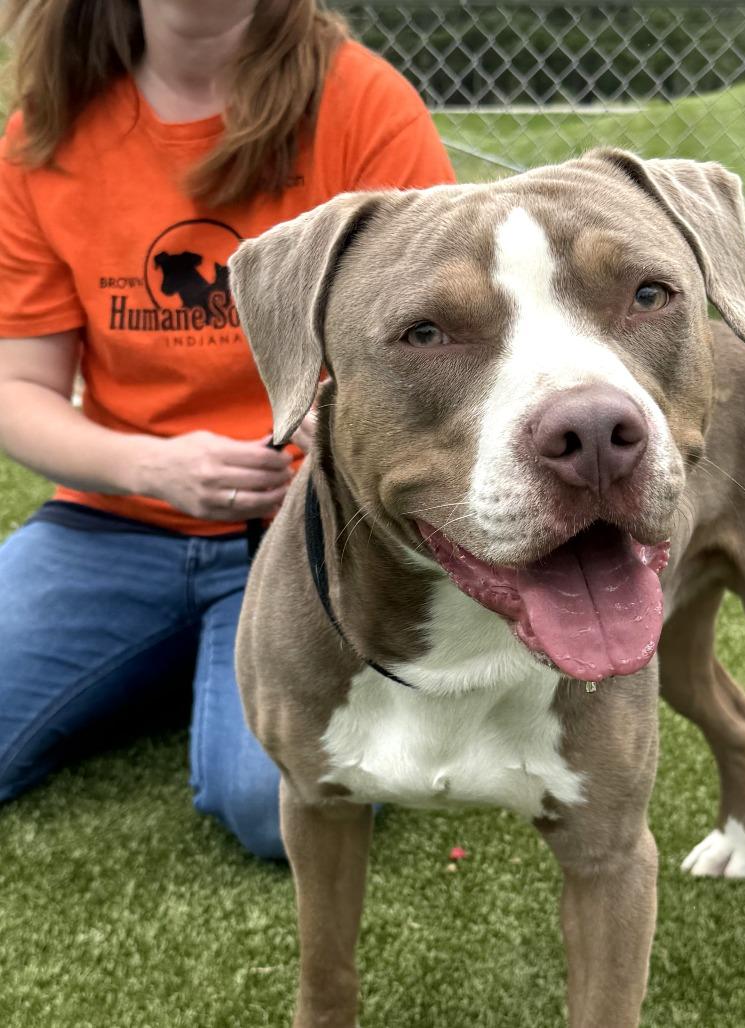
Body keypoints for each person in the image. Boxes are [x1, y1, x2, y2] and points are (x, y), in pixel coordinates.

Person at [0, 0, 455, 859]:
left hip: (313, 528)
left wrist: (342, 435)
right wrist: (150, 466)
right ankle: (184, 655)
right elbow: (18, 391)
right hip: (116, 523)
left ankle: (207, 655)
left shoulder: (361, 104)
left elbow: (443, 345)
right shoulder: (47, 134)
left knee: (268, 804)